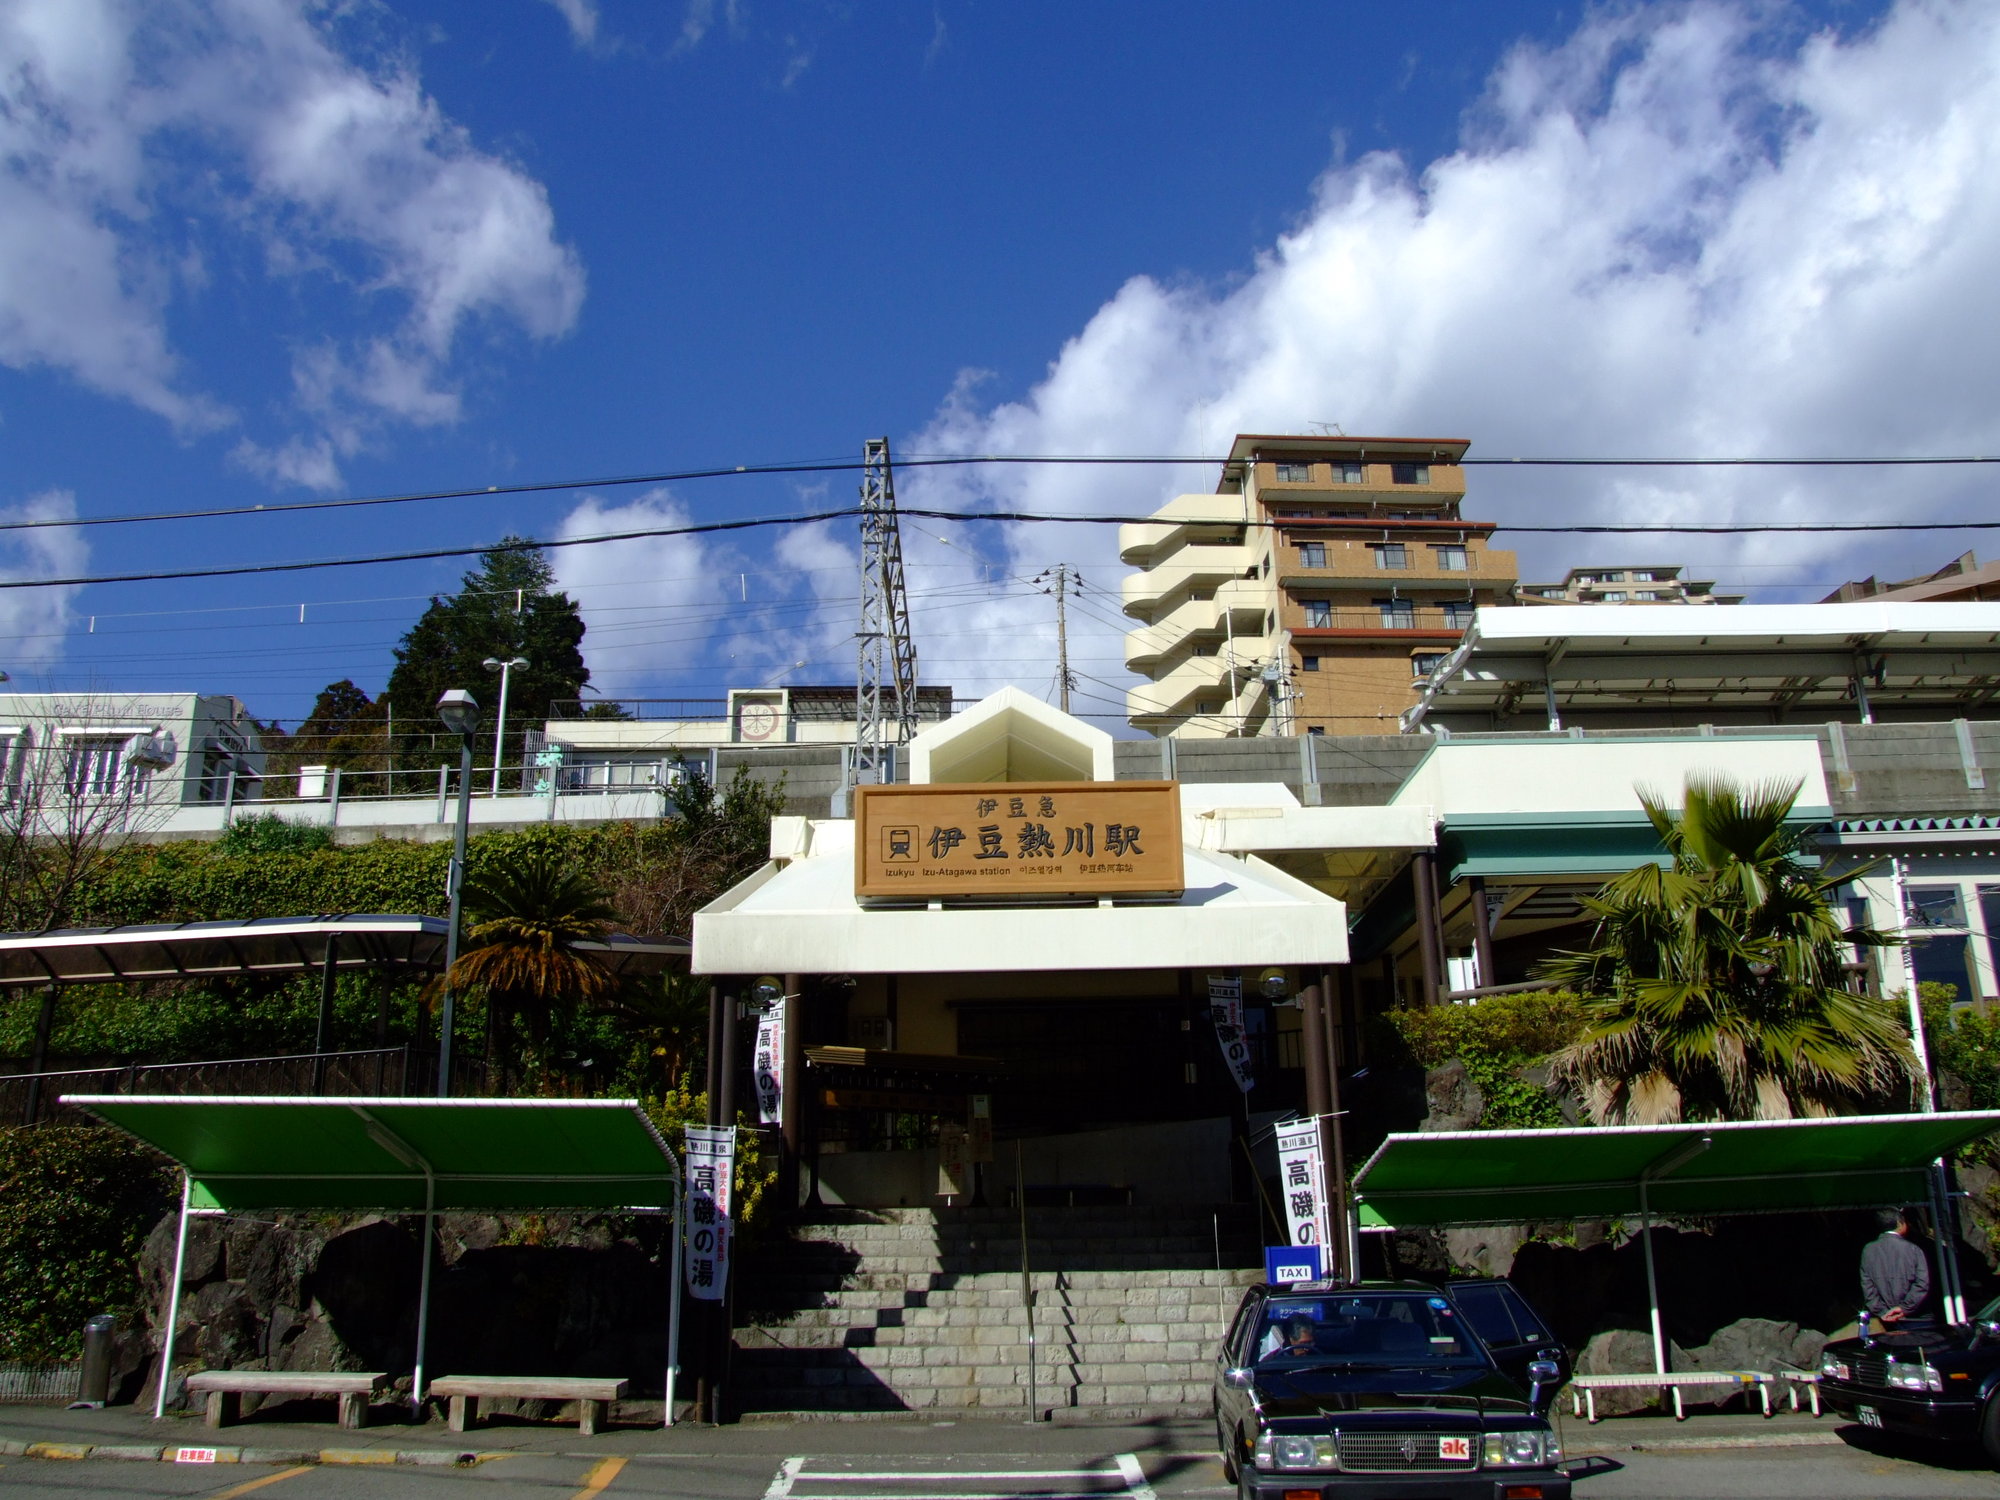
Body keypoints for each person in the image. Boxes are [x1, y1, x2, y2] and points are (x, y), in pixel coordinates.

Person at [1861, 1206, 1933, 1331]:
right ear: (1900, 1223)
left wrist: (1882, 1310)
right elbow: (1922, 1283)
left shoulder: (1868, 1250)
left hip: (1885, 1319)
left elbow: (1867, 1285)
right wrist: (1904, 1307)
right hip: (1918, 1318)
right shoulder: (1913, 1249)